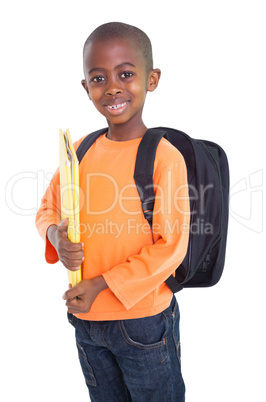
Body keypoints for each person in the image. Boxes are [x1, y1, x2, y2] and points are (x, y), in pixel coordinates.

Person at [36, 22, 190, 402]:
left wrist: (100, 284)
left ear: (151, 79)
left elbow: (170, 246)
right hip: (86, 321)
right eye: (99, 77)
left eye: (126, 74)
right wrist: (55, 235)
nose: (113, 87)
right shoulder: (80, 150)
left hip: (144, 322)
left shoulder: (163, 157)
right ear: (86, 87)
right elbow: (47, 209)